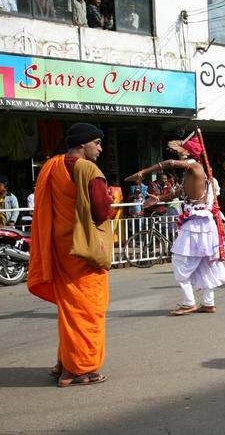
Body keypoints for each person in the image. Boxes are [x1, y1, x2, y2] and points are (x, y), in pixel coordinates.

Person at [27, 123, 113, 387]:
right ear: (82, 144)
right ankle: (79, 369)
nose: (99, 148)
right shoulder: (87, 169)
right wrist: (111, 197)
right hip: (83, 251)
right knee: (88, 308)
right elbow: (100, 211)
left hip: (60, 249)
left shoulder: (51, 167)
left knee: (70, 309)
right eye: (96, 143)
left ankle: (65, 361)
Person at [125, 132, 225, 316]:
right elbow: (174, 194)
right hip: (199, 223)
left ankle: (189, 302)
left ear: (188, 155)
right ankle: (208, 302)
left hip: (198, 224)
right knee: (204, 263)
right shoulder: (190, 174)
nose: (178, 157)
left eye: (182, 153)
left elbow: (169, 163)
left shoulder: (195, 167)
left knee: (180, 261)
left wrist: (142, 172)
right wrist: (157, 199)